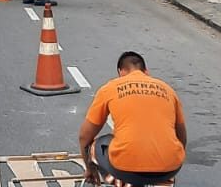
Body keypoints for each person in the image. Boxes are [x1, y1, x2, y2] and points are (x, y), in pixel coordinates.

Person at [79, 52, 186, 187]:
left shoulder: (110, 88)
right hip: (170, 168)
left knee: (98, 144)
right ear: (146, 72)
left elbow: (84, 136)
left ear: (120, 72)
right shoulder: (168, 90)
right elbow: (182, 136)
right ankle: (163, 182)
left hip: (126, 169)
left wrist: (89, 169)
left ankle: (121, 183)